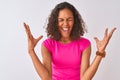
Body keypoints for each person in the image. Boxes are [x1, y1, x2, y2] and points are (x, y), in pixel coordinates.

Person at [23, 2, 116, 80]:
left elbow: (85, 78)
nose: (65, 24)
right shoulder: (48, 44)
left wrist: (100, 52)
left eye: (69, 19)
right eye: (61, 20)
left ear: (75, 21)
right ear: (55, 22)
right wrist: (31, 51)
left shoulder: (85, 44)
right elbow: (47, 78)